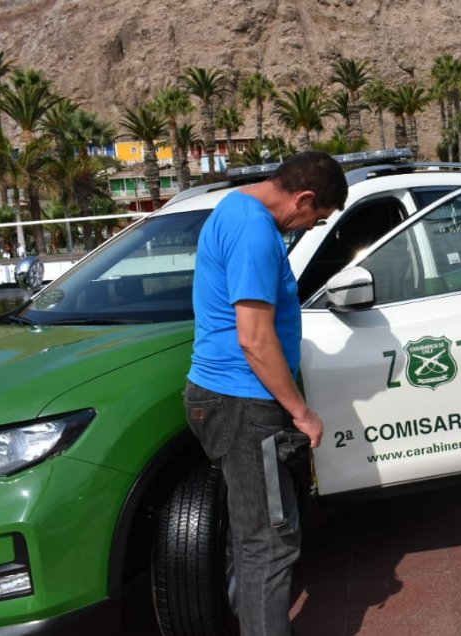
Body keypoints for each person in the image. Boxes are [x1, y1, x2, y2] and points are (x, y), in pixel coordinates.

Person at [185, 151, 348, 636]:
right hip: (245, 406)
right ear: (303, 197)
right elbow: (254, 338)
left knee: (252, 534)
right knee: (270, 544)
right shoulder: (257, 232)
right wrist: (301, 412)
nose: (308, 227)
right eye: (315, 218)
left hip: (221, 397)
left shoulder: (233, 208)